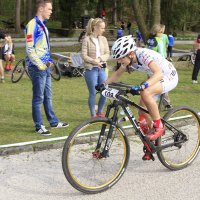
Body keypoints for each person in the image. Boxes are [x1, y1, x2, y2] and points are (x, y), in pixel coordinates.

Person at [102, 35, 178, 160]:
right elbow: (117, 74)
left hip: (168, 76)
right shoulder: (129, 59)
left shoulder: (143, 55)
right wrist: (104, 84)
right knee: (141, 111)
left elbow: (158, 74)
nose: (120, 62)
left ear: (131, 54)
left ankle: (159, 126)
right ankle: (149, 145)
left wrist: (143, 85)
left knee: (145, 93)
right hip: (155, 77)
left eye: (121, 59)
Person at [25, 0, 69, 136]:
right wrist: (40, 64)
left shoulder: (42, 25)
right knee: (38, 97)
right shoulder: (32, 25)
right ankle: (39, 126)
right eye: (49, 9)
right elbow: (30, 48)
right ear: (41, 8)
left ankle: (53, 122)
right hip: (37, 68)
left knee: (48, 96)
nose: (51, 12)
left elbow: (43, 47)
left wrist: (49, 61)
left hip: (46, 67)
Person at [81, 18, 110, 118]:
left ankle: (100, 112)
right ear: (95, 28)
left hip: (102, 69)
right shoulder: (86, 39)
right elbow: (84, 55)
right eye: (102, 28)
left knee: (105, 91)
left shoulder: (103, 39)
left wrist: (99, 58)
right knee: (93, 92)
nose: (103, 30)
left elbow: (107, 54)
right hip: (91, 70)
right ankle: (93, 114)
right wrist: (94, 61)